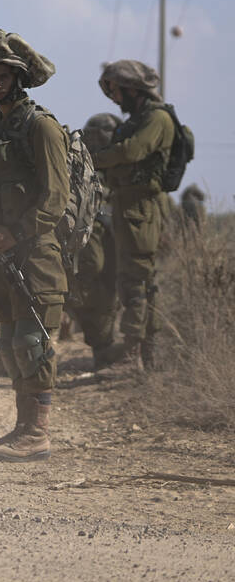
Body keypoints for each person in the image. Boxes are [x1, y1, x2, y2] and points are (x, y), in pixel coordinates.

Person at [0, 28, 68, 463]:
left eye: (2, 76)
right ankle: (22, 429)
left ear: (18, 78)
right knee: (11, 345)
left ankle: (37, 434)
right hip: (3, 257)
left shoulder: (40, 126)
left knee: (33, 343)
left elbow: (55, 197)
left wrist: (18, 232)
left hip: (36, 255)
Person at [92, 60, 175, 370]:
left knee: (135, 282)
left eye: (115, 90)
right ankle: (145, 356)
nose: (114, 98)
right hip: (131, 206)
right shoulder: (141, 118)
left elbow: (131, 151)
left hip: (142, 208)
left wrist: (94, 159)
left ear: (130, 87)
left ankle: (131, 356)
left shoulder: (157, 118)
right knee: (137, 280)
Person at [67, 113, 121, 369]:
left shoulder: (114, 161)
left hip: (112, 231)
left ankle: (104, 351)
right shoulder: (81, 159)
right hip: (91, 228)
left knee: (107, 289)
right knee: (88, 277)